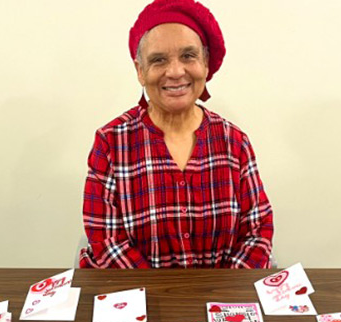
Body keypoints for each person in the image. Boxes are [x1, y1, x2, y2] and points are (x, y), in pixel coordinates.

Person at [79, 0, 273, 269]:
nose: (175, 72)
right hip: (138, 292)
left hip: (222, 292)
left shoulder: (234, 142)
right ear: (140, 71)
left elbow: (257, 231)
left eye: (188, 56)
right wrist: (161, 292)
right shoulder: (111, 143)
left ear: (205, 63)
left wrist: (221, 291)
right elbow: (106, 241)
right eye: (158, 60)